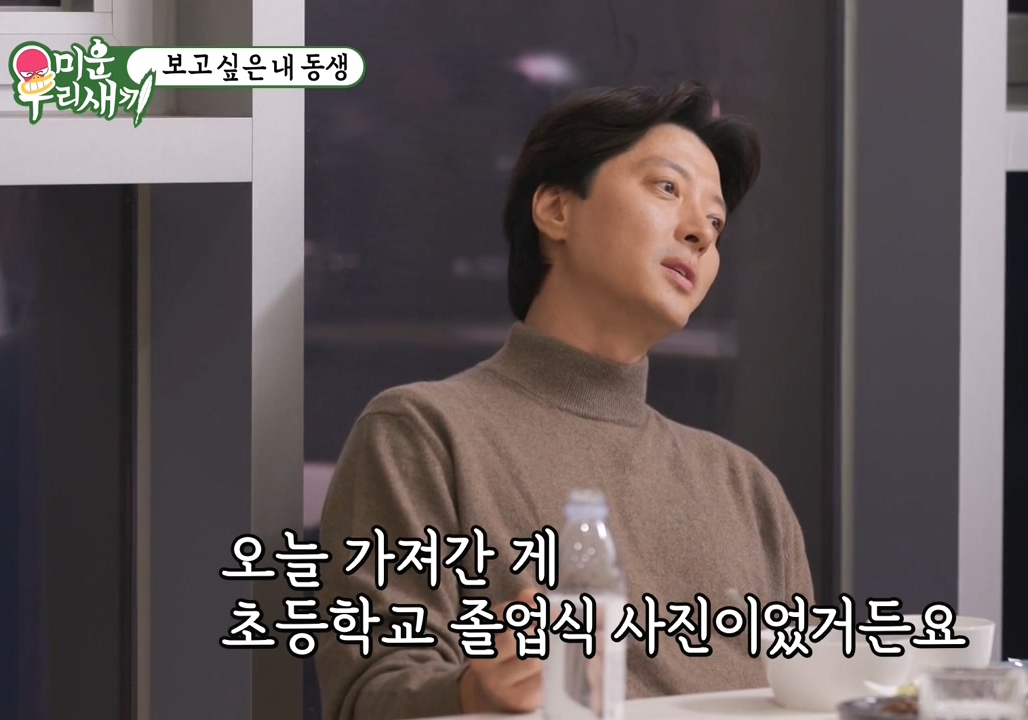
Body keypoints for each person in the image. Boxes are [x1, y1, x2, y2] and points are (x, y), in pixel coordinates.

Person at [314, 81, 815, 720]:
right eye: (667, 188)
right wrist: (470, 693)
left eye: (716, 223)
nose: (699, 233)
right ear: (555, 210)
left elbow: (814, 701)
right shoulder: (424, 433)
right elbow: (366, 695)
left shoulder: (747, 489)